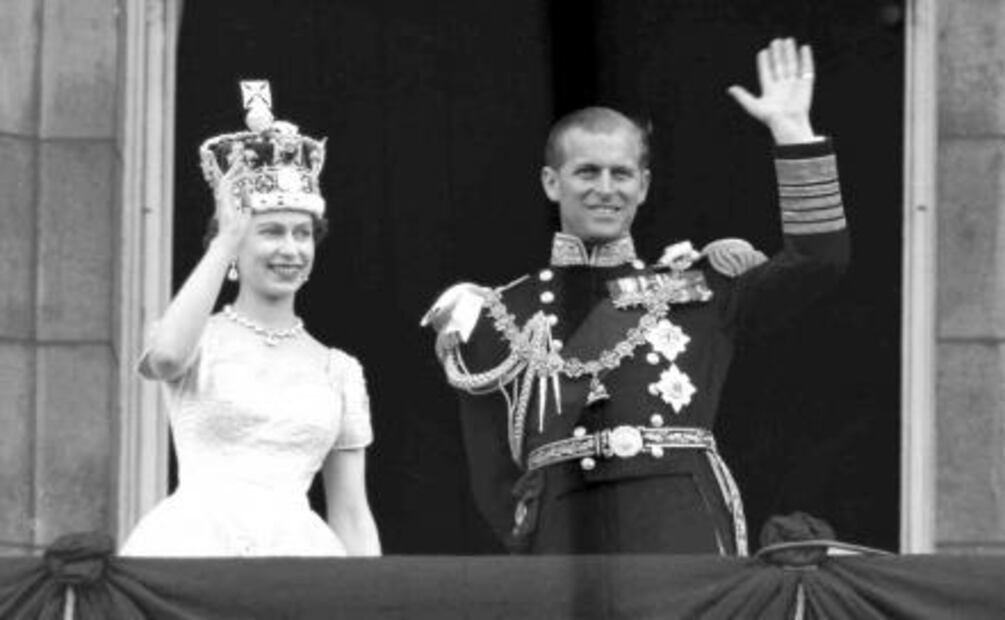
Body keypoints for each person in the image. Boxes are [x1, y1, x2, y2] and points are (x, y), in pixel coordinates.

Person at [423, 38, 848, 555]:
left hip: (678, 532)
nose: (606, 188)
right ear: (551, 182)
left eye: (621, 173)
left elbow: (819, 260)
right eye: (587, 172)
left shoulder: (699, 290)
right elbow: (491, 478)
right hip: (563, 541)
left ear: (643, 185)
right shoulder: (495, 315)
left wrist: (793, 132)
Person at [121, 81, 381, 557]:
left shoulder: (338, 370)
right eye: (271, 232)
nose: (290, 248)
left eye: (302, 233)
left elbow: (350, 512)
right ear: (238, 242)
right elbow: (164, 359)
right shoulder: (195, 336)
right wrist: (225, 239)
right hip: (193, 550)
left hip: (298, 558)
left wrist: (378, 604)